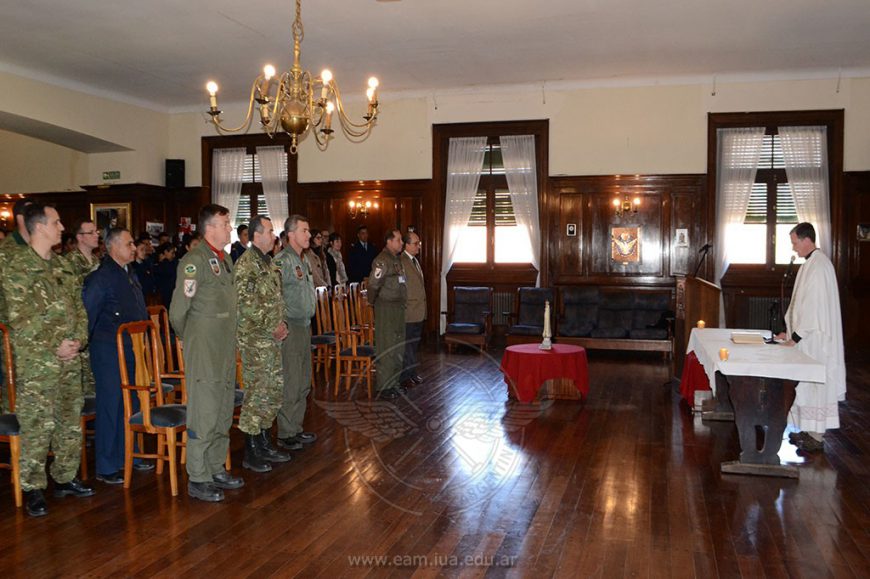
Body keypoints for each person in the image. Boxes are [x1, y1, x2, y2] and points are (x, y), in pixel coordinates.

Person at [0, 203, 94, 517]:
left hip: (70, 359)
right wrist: (56, 345)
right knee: (38, 424)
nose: (62, 228)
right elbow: (19, 317)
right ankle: (33, 488)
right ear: (40, 227)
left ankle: (65, 477)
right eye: (56, 222)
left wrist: (79, 339)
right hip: (39, 360)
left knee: (69, 420)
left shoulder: (63, 266)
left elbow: (79, 308)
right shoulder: (17, 266)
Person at [169, 204, 243, 502]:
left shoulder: (223, 261)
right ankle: (198, 476)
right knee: (204, 410)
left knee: (223, 407)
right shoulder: (194, 261)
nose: (230, 228)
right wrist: (189, 338)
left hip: (224, 346)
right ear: (209, 227)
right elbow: (178, 311)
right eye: (225, 223)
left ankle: (215, 466)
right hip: (204, 346)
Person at [82, 228, 150, 484]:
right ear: (112, 248)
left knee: (129, 401)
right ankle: (107, 464)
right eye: (129, 243)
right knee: (111, 405)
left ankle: (128, 454)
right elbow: (88, 314)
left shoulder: (128, 272)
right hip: (108, 348)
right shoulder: (101, 277)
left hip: (130, 346)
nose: (134, 248)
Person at [775, 222, 846, 453]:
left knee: (815, 385)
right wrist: (790, 330)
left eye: (795, 243)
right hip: (808, 338)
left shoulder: (819, 266)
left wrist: (795, 337)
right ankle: (807, 429)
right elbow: (802, 306)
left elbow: (814, 309)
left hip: (816, 341)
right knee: (806, 385)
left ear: (807, 240)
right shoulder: (811, 264)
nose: (794, 248)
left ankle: (817, 435)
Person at [234, 216, 292, 472]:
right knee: (257, 394)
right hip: (255, 341)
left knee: (272, 392)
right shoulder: (247, 265)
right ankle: (251, 450)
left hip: (271, 340)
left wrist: (283, 324)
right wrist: (272, 326)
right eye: (269, 231)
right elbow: (244, 304)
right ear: (256, 236)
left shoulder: (268, 263)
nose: (274, 235)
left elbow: (276, 300)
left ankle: (265, 442)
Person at [273, 215, 318, 450]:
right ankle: (286, 432)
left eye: (308, 231)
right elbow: (273, 296)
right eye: (304, 230)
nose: (309, 235)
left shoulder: (303, 259)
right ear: (291, 234)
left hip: (304, 325)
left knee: (302, 380)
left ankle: (296, 427)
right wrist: (279, 324)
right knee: (291, 379)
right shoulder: (282, 260)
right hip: (290, 326)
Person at [367, 229, 408, 400]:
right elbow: (373, 284)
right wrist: (373, 302)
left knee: (398, 346)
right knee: (387, 346)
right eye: (398, 240)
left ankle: (394, 383)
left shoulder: (396, 260)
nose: (401, 243)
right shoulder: (382, 260)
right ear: (389, 242)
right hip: (386, 308)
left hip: (398, 308)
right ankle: (384, 387)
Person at [66, 219, 102, 397]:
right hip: (81, 322)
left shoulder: (96, 260)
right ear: (80, 237)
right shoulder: (71, 261)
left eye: (97, 231)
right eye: (91, 232)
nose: (97, 235)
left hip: (96, 322)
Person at [399, 231, 426, 388]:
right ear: (406, 245)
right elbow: (402, 286)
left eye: (419, 243)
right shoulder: (402, 261)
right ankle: (405, 376)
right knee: (407, 345)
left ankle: (412, 373)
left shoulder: (414, 261)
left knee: (414, 344)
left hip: (418, 310)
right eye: (416, 243)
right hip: (409, 310)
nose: (419, 246)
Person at [153, 242, 177, 309]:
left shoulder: (173, 263)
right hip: (163, 296)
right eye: (172, 253)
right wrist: (162, 262)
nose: (174, 255)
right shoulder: (158, 264)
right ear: (165, 252)